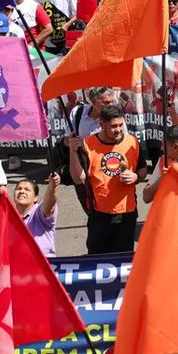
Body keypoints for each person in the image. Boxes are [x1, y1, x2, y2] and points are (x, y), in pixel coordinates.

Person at [67, 105, 147, 255]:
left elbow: (143, 168)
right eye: (113, 126)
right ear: (101, 125)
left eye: (121, 125)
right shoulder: (89, 144)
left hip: (126, 213)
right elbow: (79, 178)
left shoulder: (132, 142)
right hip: (99, 214)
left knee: (122, 261)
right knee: (96, 261)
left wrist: (137, 177)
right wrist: (72, 151)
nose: (118, 130)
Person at [0, 175, 59, 258]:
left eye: (27, 190)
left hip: (43, 268)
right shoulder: (2, 220)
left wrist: (53, 187)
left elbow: (50, 203)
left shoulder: (39, 213)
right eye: (18, 189)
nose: (22, 191)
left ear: (35, 198)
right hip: (14, 268)